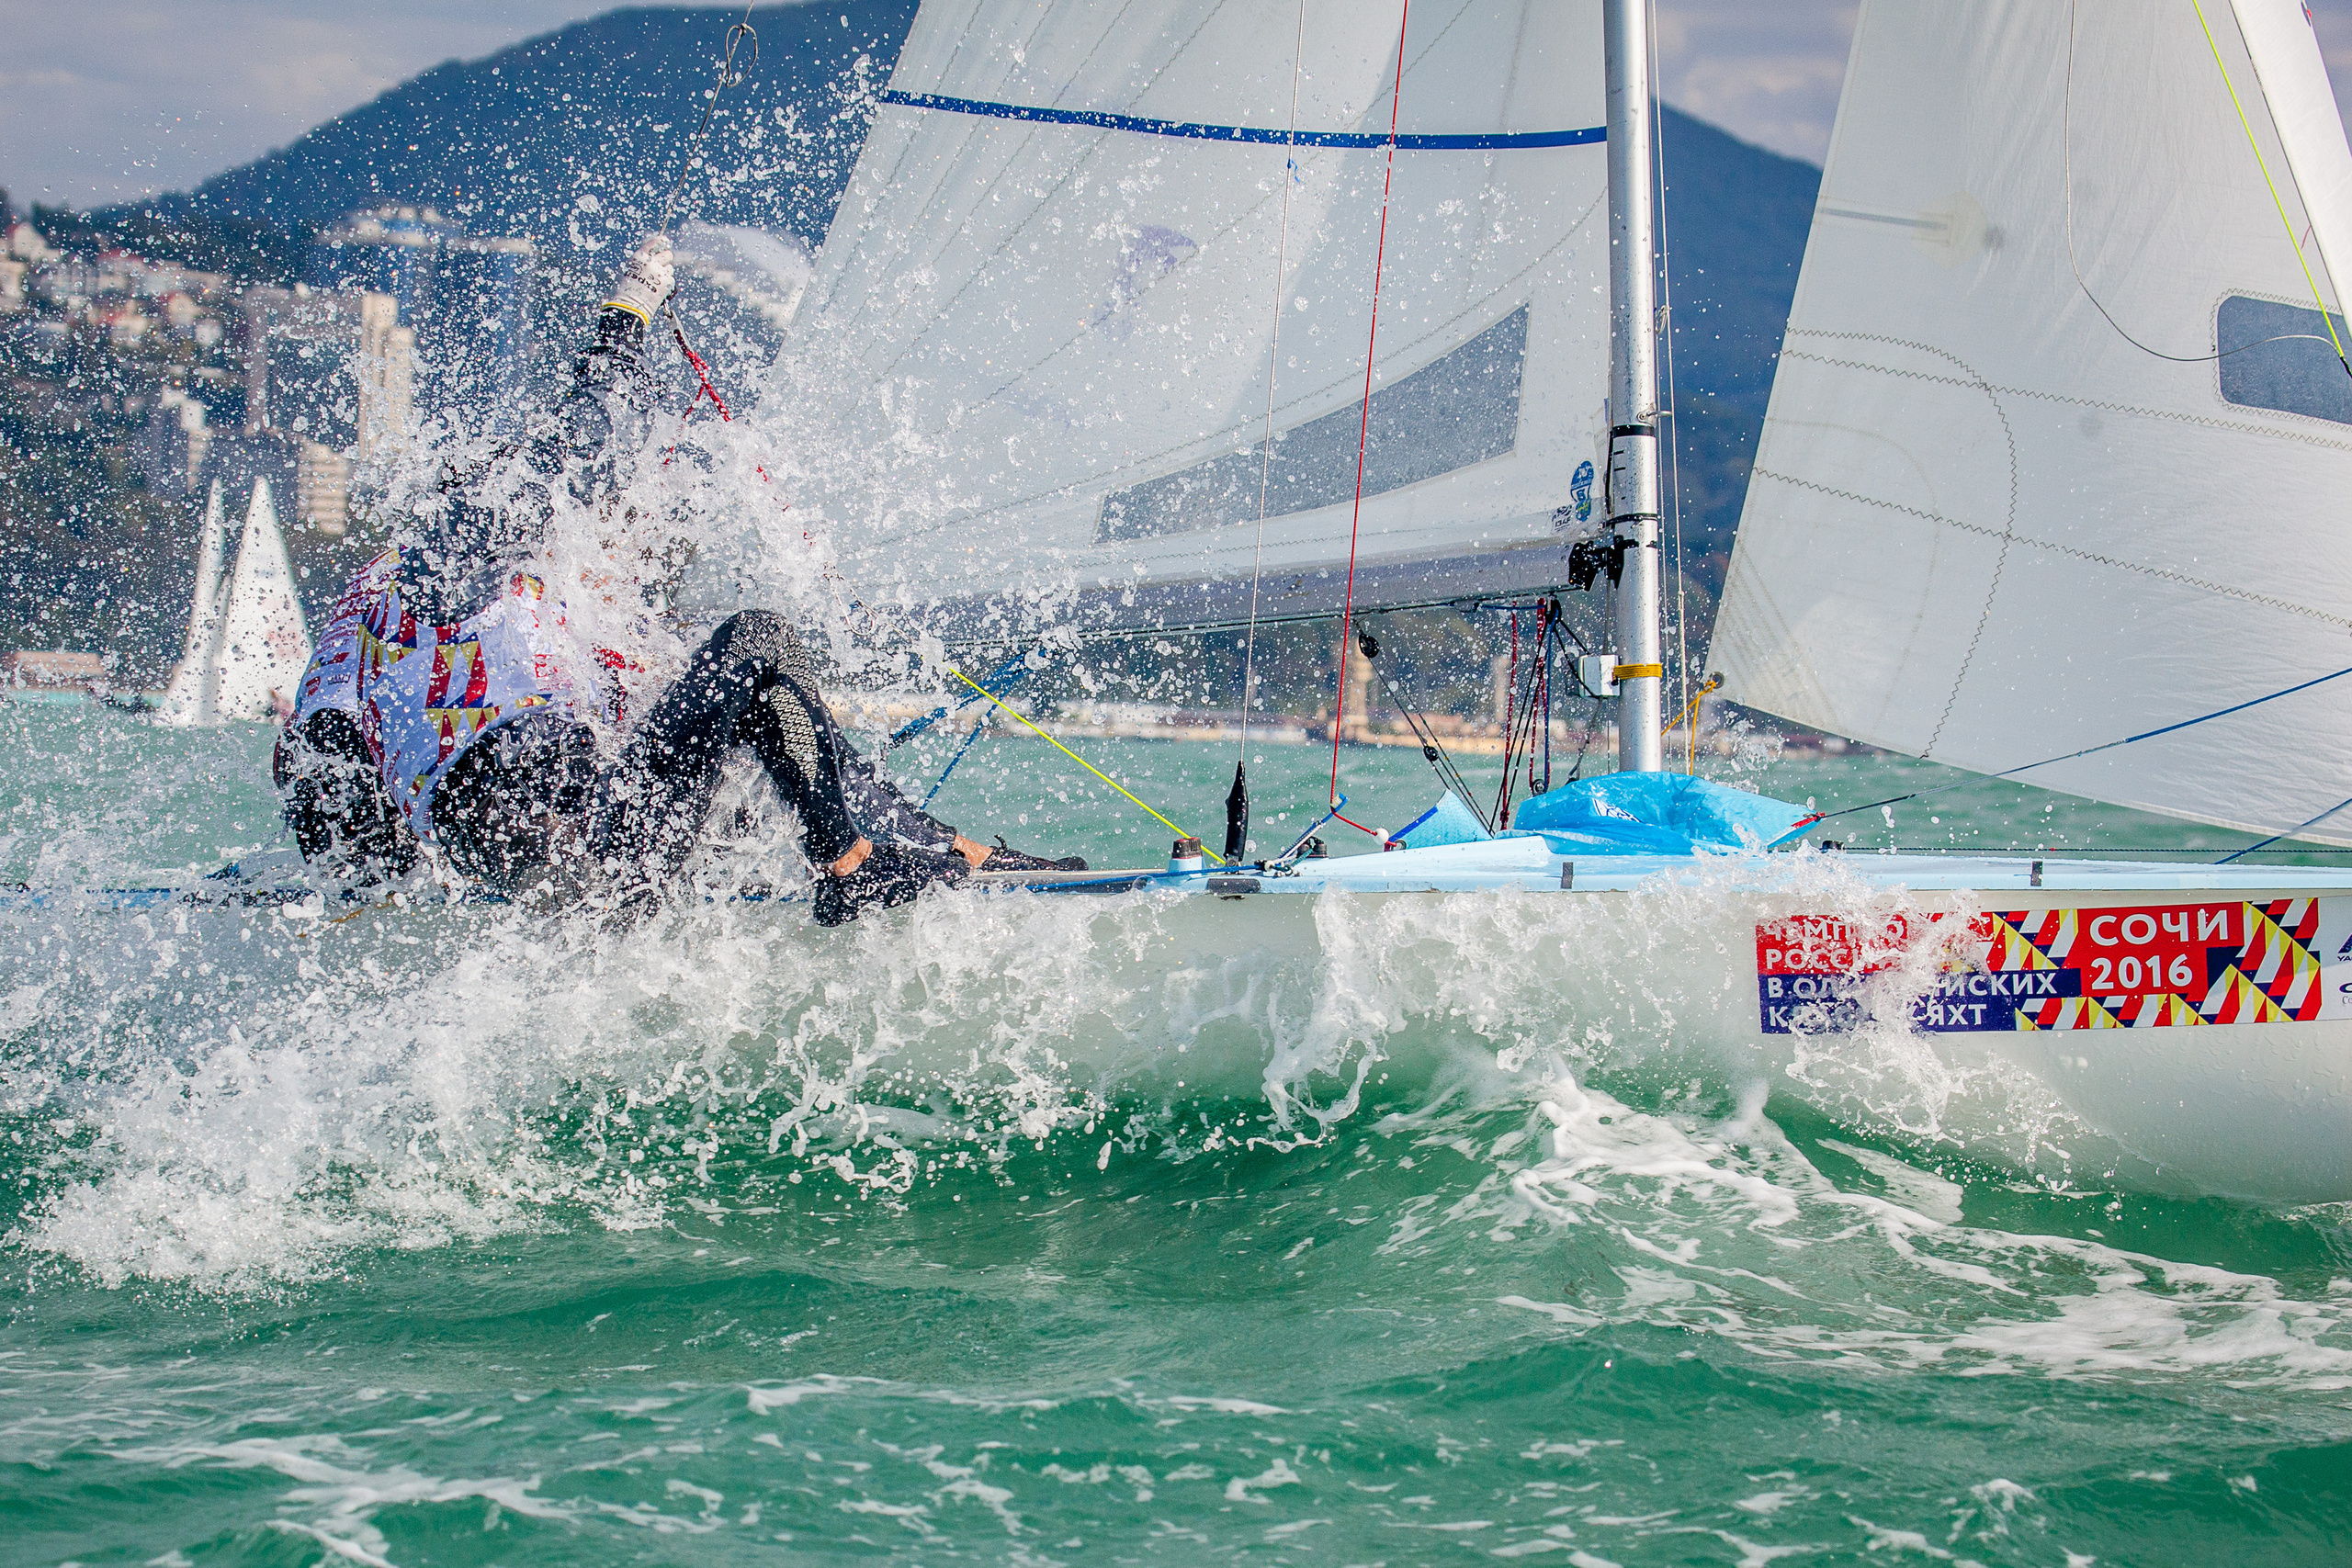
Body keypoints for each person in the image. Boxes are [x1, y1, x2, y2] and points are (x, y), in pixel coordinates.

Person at [275, 233, 1082, 924]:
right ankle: (854, 870)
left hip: (575, 865)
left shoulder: (390, 630)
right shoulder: (444, 557)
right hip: (594, 856)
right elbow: (581, 434)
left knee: (759, 688)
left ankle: (943, 850)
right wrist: (627, 315)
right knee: (757, 639)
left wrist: (369, 883)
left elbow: (312, 761)